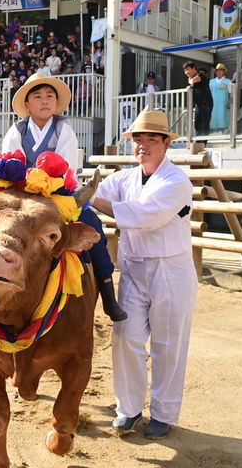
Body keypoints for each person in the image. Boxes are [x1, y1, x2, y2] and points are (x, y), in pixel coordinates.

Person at [91, 109, 197, 440]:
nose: (144, 146)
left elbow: (142, 216)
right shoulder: (122, 178)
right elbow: (93, 193)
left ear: (167, 143)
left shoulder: (176, 181)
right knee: (127, 338)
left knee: (169, 343)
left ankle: (163, 413)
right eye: (138, 139)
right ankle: (129, 407)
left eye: (152, 139)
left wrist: (90, 197)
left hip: (171, 269)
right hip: (134, 267)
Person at [1, 73, 127, 322]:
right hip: (24, 197)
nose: (44, 101)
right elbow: (9, 164)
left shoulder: (64, 129)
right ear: (27, 104)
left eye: (50, 96)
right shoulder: (16, 131)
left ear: (57, 103)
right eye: (37, 96)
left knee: (94, 228)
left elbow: (66, 168)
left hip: (61, 194)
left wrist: (42, 185)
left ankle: (108, 293)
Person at [183, 61, 212, 137]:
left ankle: (203, 143)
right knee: (197, 125)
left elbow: (194, 80)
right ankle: (198, 142)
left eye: (188, 69)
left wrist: (190, 81)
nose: (186, 72)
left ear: (193, 68)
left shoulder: (200, 75)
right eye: (185, 70)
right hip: (198, 105)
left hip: (206, 104)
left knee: (204, 124)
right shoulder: (192, 78)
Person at [209, 63, 231, 133]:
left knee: (223, 115)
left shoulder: (228, 81)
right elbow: (209, 92)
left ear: (223, 72)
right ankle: (213, 131)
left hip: (223, 102)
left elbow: (230, 93)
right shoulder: (211, 82)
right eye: (218, 71)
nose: (219, 72)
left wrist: (230, 102)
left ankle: (223, 131)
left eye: (221, 70)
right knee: (213, 115)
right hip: (213, 102)